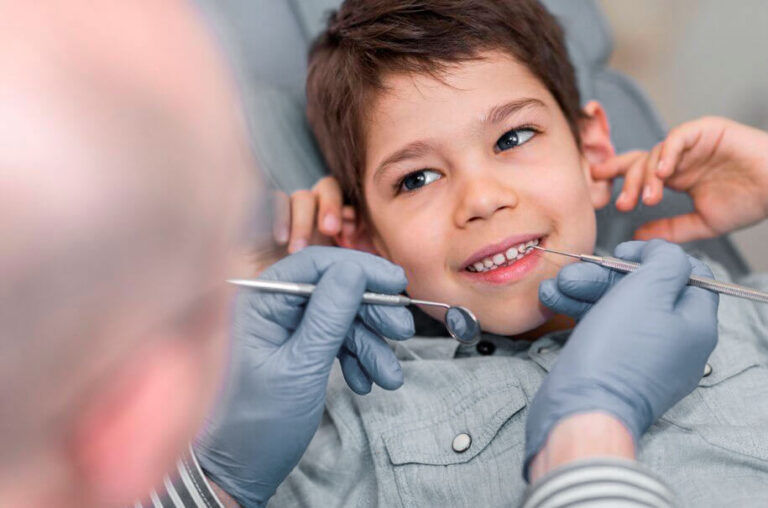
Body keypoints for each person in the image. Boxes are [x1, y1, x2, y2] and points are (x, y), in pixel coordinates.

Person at [265, 1, 768, 506]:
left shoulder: (745, 315)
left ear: (591, 153)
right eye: (416, 179)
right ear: (367, 241)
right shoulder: (349, 425)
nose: (482, 199)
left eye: (513, 137)